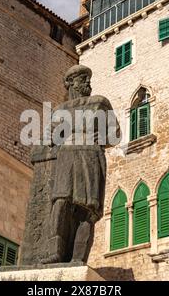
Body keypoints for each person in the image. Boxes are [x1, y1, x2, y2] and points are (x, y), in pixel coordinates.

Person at [42, 65, 120, 264]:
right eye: (82, 78)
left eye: (88, 78)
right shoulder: (60, 110)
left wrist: (102, 136)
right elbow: (50, 137)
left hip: (91, 156)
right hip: (66, 156)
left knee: (87, 209)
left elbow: (115, 133)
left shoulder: (100, 102)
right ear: (70, 83)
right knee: (60, 203)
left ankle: (78, 257)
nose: (87, 82)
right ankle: (56, 252)